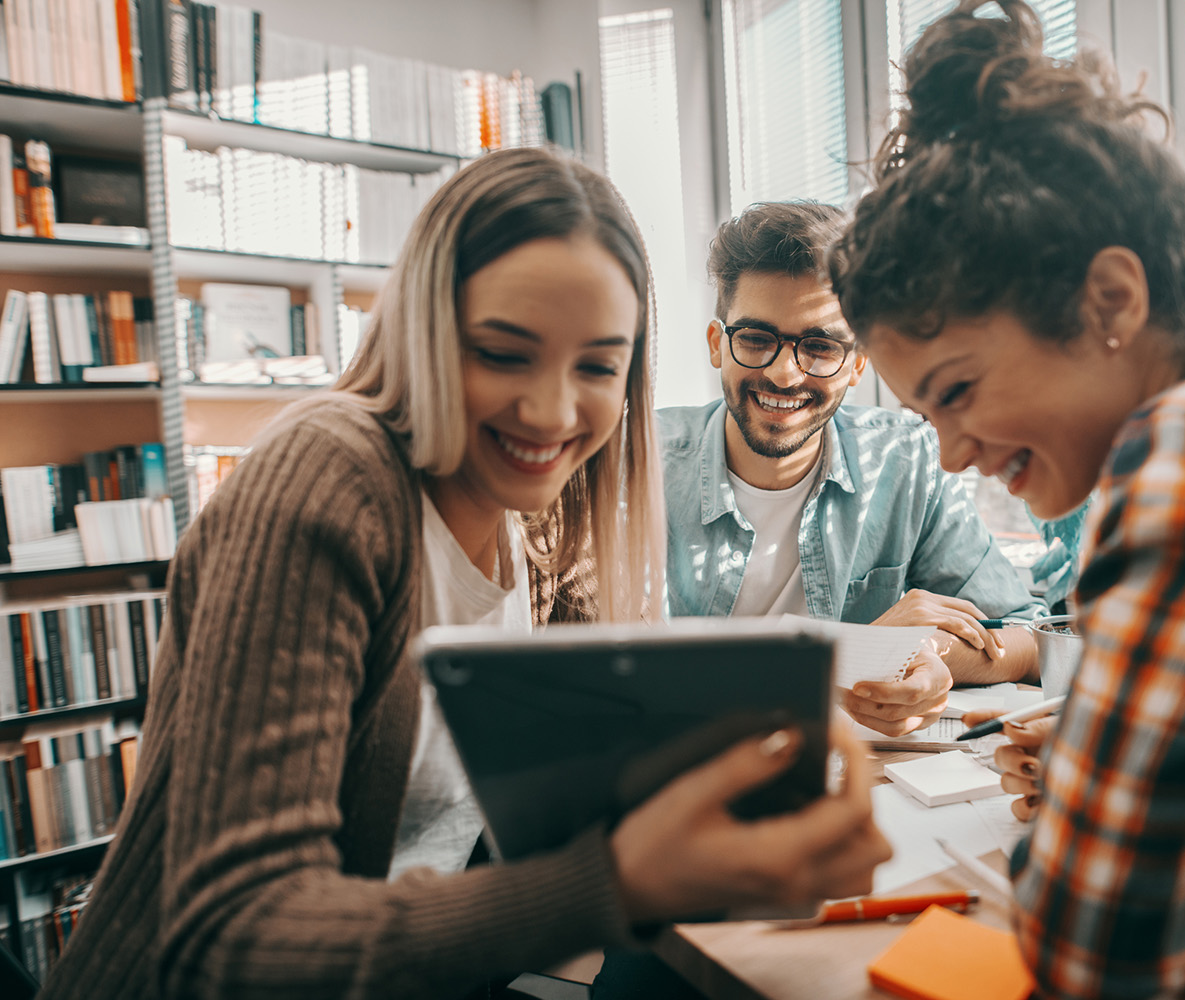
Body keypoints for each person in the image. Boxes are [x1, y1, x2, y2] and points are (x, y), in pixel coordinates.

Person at [39, 147, 890, 1000]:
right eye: (505, 353)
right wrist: (616, 884)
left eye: (597, 365)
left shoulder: (542, 516)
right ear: (426, 334)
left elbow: (593, 779)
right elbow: (236, 938)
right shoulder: (329, 478)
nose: (554, 411)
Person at [829, 1, 1185, 996]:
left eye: (956, 391)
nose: (953, 454)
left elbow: (1096, 961)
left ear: (1107, 301)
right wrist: (1117, 751)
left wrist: (1094, 796)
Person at [659, 201, 1044, 737]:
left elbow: (1025, 636)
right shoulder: (639, 468)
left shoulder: (906, 460)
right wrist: (855, 655)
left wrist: (927, 654)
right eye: (755, 339)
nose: (785, 373)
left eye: (818, 346)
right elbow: (622, 675)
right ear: (716, 346)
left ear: (858, 363)